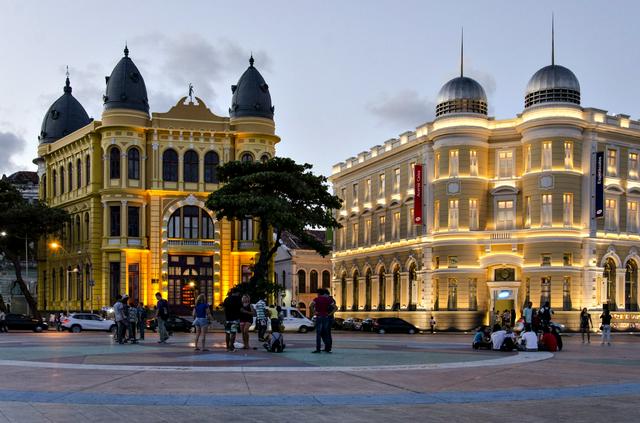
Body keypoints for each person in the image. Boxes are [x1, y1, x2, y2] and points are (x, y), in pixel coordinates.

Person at [310, 288, 334, 353]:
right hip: (326, 317)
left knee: (318, 334)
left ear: (318, 294)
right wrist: (329, 314)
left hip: (319, 316)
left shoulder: (316, 299)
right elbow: (335, 307)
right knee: (326, 333)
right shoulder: (328, 300)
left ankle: (318, 349)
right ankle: (328, 348)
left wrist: (314, 312)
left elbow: (311, 305)